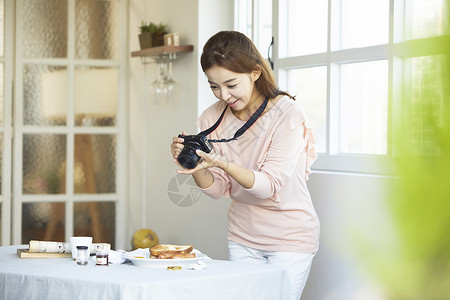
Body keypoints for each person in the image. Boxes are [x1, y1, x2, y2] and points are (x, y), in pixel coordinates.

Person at [170, 31, 319, 300]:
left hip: (289, 241)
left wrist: (224, 163)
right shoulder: (211, 118)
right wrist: (199, 166)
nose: (223, 95)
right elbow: (216, 190)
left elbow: (268, 186)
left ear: (255, 72)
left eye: (231, 84)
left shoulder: (287, 114)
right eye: (214, 86)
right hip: (242, 238)